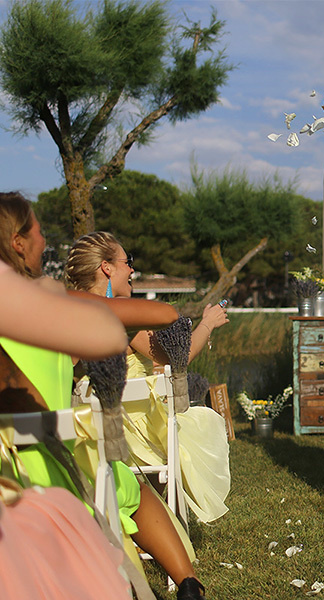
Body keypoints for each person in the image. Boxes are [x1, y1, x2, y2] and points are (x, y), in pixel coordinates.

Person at [0, 193, 206, 599]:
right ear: (19, 243)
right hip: (50, 477)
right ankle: (189, 584)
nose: (45, 243)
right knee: (131, 486)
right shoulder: (51, 303)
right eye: (40, 233)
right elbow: (165, 316)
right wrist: (87, 305)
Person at [65, 231, 231, 524]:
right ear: (106, 267)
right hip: (133, 432)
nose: (132, 269)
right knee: (197, 421)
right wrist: (208, 324)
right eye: (127, 261)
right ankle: (157, 518)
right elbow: (179, 357)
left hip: (88, 432)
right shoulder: (122, 317)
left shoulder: (68, 314)